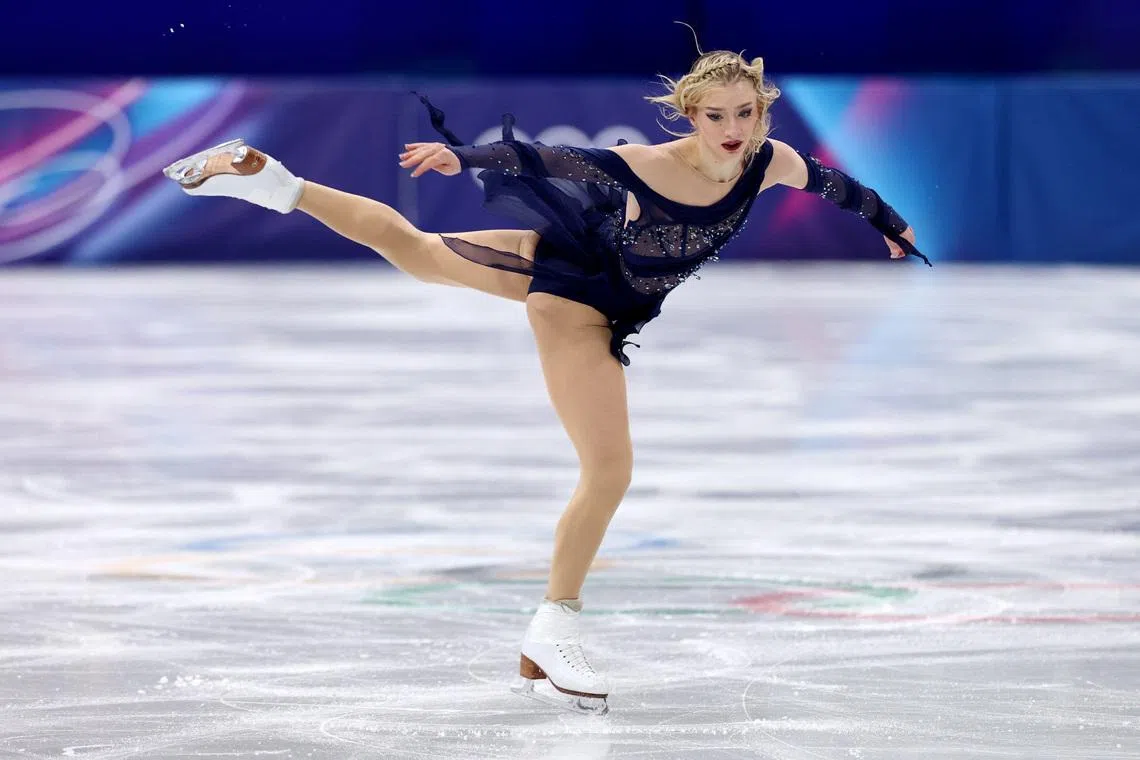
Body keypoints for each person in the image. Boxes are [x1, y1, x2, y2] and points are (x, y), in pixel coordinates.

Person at [162, 48, 927, 715]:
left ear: (762, 113)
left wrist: (893, 226)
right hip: (575, 300)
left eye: (746, 113)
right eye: (717, 114)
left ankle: (270, 180)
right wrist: (462, 159)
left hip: (590, 276)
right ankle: (556, 625)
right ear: (689, 115)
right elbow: (551, 161)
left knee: (420, 254)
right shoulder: (647, 164)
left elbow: (839, 188)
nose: (733, 128)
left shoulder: (771, 162)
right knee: (609, 468)